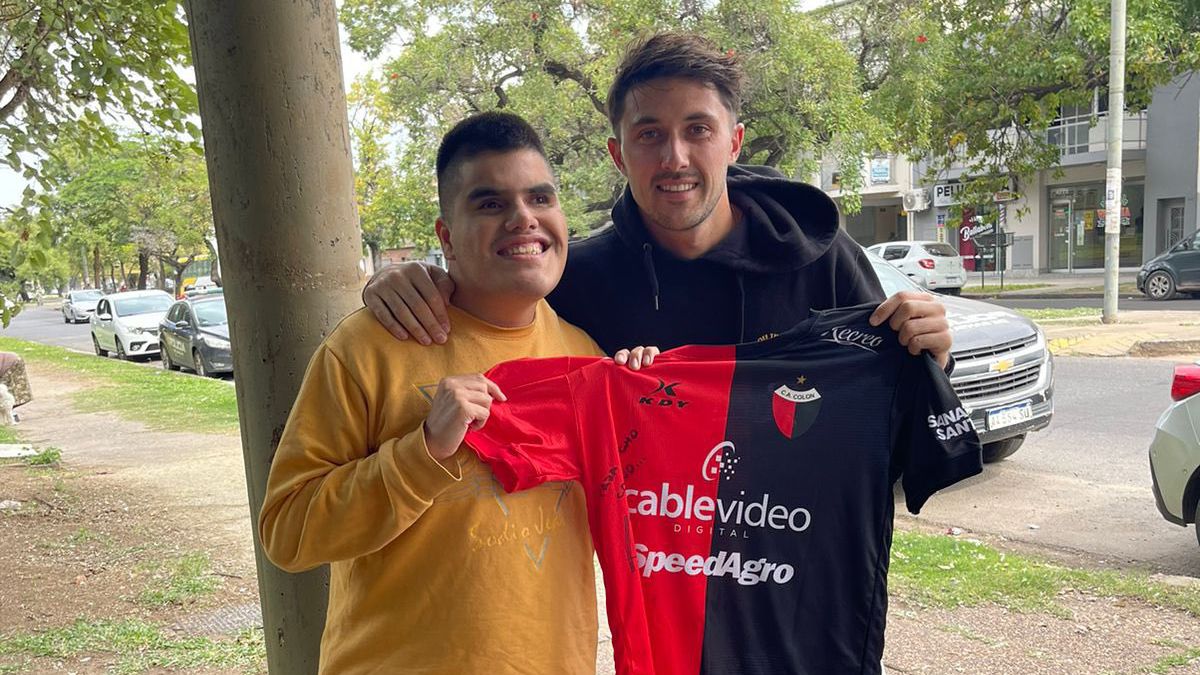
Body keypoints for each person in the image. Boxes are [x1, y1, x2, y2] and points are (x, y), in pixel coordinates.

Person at [259, 112, 649, 674]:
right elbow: (287, 533)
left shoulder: (586, 354)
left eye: (540, 198)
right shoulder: (369, 345)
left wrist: (649, 405)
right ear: (446, 236)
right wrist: (424, 452)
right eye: (490, 204)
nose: (523, 219)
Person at [360, 31, 952, 370]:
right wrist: (400, 283)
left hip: (810, 576)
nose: (674, 158)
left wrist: (930, 353)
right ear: (618, 155)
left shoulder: (818, 255)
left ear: (733, 143)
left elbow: (894, 403)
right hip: (657, 580)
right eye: (649, 135)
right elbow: (484, 313)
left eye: (698, 129)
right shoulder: (576, 279)